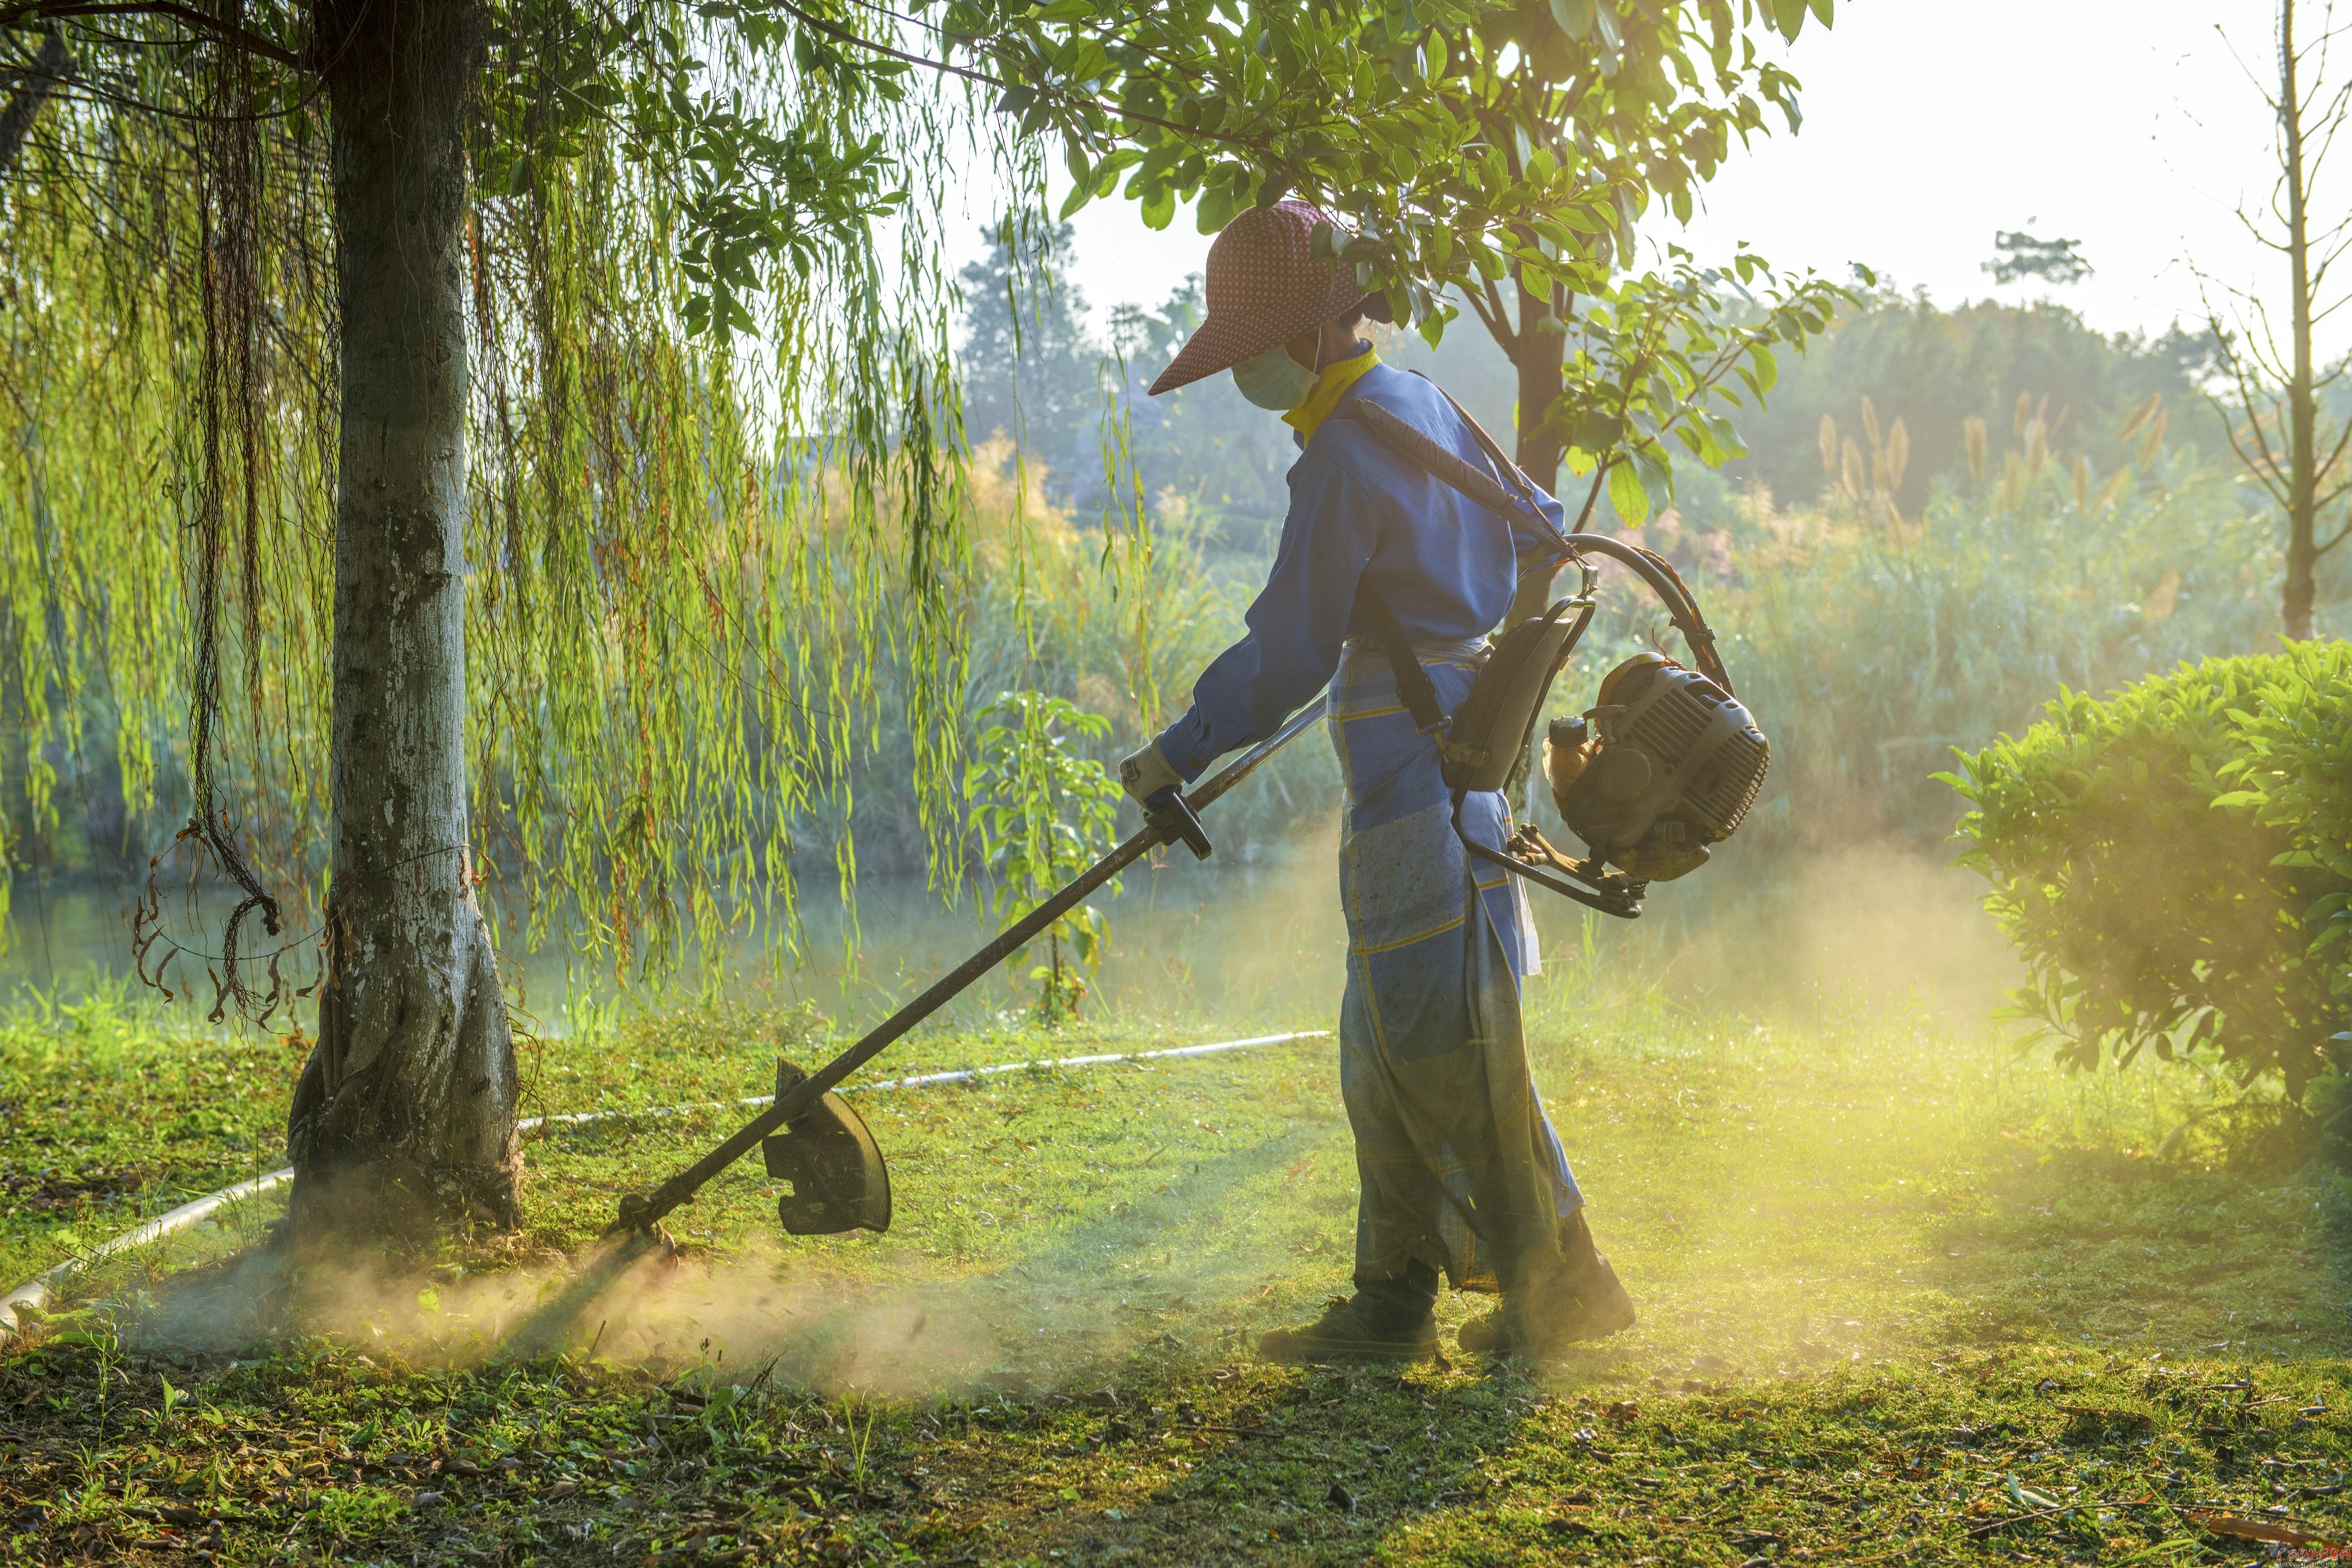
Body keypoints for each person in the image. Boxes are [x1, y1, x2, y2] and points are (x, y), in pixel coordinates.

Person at [1117, 199, 1636, 1362]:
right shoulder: (1426, 405)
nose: (1242, 367)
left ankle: (1570, 1285)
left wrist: (1177, 751)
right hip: (1462, 763)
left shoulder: (1343, 458)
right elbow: (1543, 532)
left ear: (1307, 334)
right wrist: (1452, 639)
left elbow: (1288, 657)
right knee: (1385, 1043)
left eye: (1251, 343)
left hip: (1412, 781)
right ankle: (1393, 1297)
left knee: (1440, 1047)